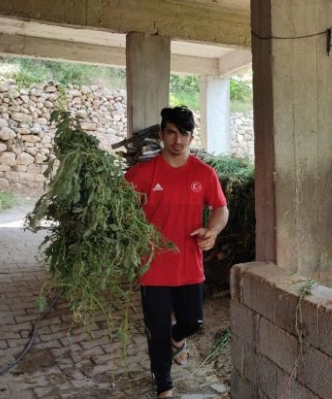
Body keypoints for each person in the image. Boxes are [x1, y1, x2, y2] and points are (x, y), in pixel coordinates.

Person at [125, 106, 229, 399]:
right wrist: (132, 205)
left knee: (193, 322)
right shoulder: (141, 174)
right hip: (152, 267)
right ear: (161, 134)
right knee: (156, 332)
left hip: (189, 265)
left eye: (184, 133)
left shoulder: (204, 173)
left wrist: (213, 230)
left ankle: (178, 337)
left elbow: (221, 208)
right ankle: (164, 386)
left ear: (191, 137)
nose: (177, 140)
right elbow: (118, 213)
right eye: (171, 132)